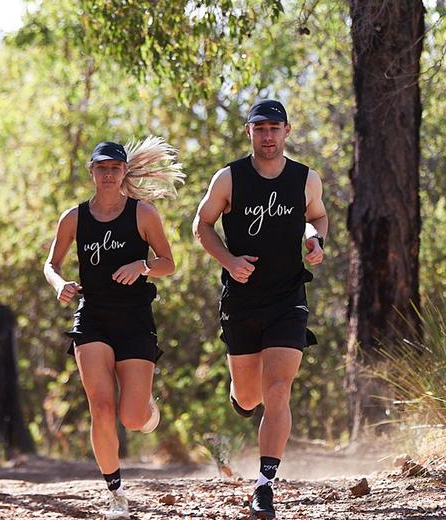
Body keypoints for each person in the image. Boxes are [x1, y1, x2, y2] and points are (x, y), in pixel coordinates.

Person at [193, 99, 328, 519]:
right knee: (250, 396)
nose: (268, 136)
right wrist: (229, 262)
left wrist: (316, 240)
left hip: (288, 298)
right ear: (248, 131)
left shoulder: (305, 178)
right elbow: (202, 225)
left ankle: (265, 486)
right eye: (260, 128)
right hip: (242, 299)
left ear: (287, 131)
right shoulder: (229, 178)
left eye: (275, 128)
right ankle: (240, 398)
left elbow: (318, 217)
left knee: (278, 390)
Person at [44, 137, 183, 520]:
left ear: (124, 172)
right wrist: (61, 285)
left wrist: (142, 267)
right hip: (92, 319)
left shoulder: (143, 214)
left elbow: (168, 262)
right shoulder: (74, 218)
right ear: (92, 171)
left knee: (132, 418)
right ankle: (116, 492)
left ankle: (146, 406)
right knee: (101, 407)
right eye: (101, 168)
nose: (108, 174)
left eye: (115, 168)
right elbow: (51, 264)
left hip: (136, 320)